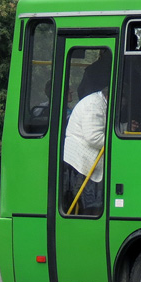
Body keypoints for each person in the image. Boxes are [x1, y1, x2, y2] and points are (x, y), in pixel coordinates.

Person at [62, 85, 108, 215]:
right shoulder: (94, 105)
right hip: (80, 162)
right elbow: (94, 137)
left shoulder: (100, 102)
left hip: (84, 161)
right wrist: (119, 141)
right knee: (86, 203)